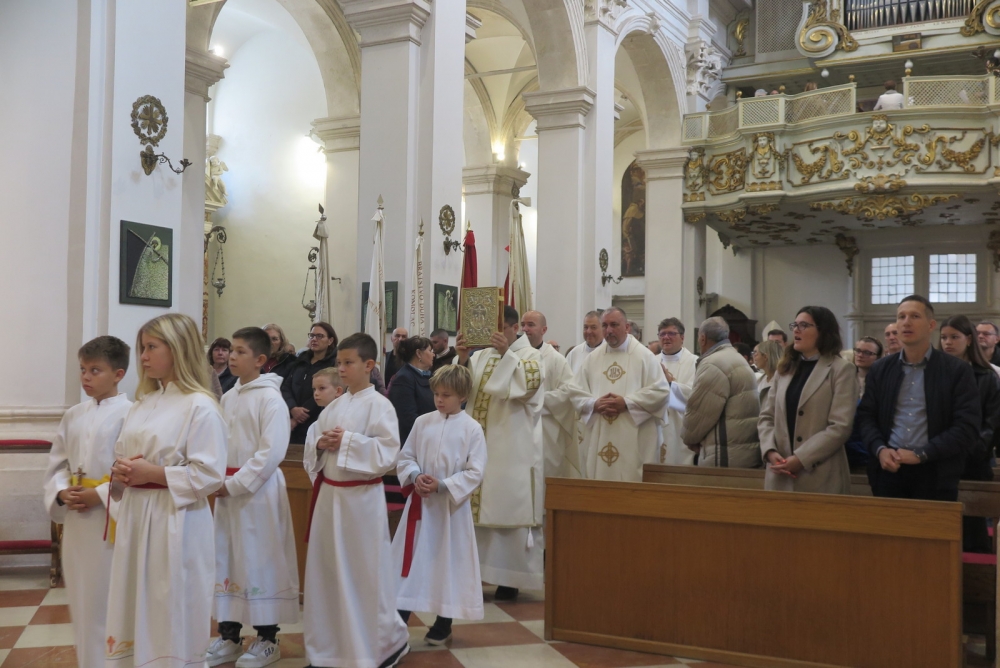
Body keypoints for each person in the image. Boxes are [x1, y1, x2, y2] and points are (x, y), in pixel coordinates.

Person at [106, 313, 227, 667]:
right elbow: (122, 456)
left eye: (151, 347)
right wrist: (121, 472)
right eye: (142, 348)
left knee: (169, 603)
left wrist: (154, 473)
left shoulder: (200, 406)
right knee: (133, 601)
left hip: (177, 521)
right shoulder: (142, 403)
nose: (142, 357)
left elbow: (209, 475)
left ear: (177, 349)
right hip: (136, 517)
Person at [302, 333, 410, 668]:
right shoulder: (335, 405)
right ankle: (329, 649)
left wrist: (346, 442)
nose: (342, 368)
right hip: (329, 497)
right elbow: (313, 444)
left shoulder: (380, 405)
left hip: (361, 501)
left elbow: (387, 453)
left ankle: (378, 646)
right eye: (339, 362)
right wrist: (321, 444)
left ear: (369, 365)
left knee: (362, 575)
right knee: (327, 575)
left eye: (348, 363)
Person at [207, 327, 298, 668]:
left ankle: (267, 639)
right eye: (231, 350)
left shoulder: (270, 398)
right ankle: (229, 636)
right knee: (228, 560)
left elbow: (271, 452)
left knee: (260, 560)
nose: (231, 356)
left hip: (257, 493)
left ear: (260, 360)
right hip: (228, 491)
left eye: (241, 351)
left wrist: (233, 484)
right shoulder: (229, 397)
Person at [42, 336, 132, 668]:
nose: (86, 377)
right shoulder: (74, 415)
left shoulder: (131, 414)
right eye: (82, 369)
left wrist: (101, 494)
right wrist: (62, 492)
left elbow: (132, 471)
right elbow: (57, 466)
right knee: (81, 602)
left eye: (96, 370)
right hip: (79, 524)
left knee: (106, 602)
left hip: (110, 522)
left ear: (119, 374)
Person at [393, 365, 488, 645]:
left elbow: (475, 471)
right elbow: (406, 456)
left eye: (446, 394)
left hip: (450, 511)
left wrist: (442, 485)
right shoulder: (423, 422)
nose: (439, 400)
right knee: (409, 564)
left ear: (462, 395)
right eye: (436, 393)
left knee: (446, 565)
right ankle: (398, 623)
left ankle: (444, 622)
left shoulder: (472, 429)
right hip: (420, 508)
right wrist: (415, 475)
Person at [458, 305, 544, 601]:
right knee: (477, 513)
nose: (492, 335)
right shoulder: (480, 356)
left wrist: (508, 355)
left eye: (498, 328)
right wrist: (462, 358)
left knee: (507, 508)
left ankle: (510, 578)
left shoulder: (531, 355)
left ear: (512, 327)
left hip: (511, 445)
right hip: (478, 445)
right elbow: (460, 392)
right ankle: (477, 574)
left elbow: (527, 387)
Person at [857, 295, 981, 501]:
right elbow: (866, 417)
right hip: (889, 470)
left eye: (914, 316)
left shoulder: (956, 370)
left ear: (931, 325)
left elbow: (967, 426)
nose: (906, 322)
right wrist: (880, 449)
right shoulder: (880, 369)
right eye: (901, 316)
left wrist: (922, 454)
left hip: (936, 471)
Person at [561, 307, 668, 481]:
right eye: (604, 325)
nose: (608, 330)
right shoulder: (593, 358)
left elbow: (661, 392)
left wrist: (626, 403)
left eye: (614, 325)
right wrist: (594, 404)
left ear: (626, 327)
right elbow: (574, 390)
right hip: (600, 433)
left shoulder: (644, 356)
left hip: (634, 437)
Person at [758, 307, 858, 494]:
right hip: (779, 471)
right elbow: (766, 417)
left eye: (804, 325)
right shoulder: (784, 369)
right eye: (795, 325)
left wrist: (801, 458)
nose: (796, 330)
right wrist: (770, 451)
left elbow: (840, 426)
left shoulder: (841, 370)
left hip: (820, 475)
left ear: (823, 332)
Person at [939, 315, 1000, 552]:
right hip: (940, 459)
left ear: (968, 340)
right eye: (944, 337)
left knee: (973, 529)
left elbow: (991, 423)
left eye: (954, 337)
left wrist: (968, 450)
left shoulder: (986, 376)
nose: (948, 343)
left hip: (974, 460)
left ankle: (978, 583)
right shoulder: (936, 374)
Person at [682, 317, 761, 467]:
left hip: (724, 454)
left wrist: (689, 438)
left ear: (703, 338)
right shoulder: (735, 357)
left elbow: (701, 412)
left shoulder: (714, 364)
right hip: (743, 450)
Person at [521, 310, 579, 478]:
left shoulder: (556, 359)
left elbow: (568, 393)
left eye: (531, 325)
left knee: (544, 478)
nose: (525, 329)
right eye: (523, 324)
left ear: (543, 330)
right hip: (518, 428)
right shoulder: (513, 356)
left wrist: (535, 400)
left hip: (546, 430)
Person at [386, 336, 436, 522]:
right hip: (416, 446)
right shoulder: (404, 379)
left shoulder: (429, 376)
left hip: (431, 441)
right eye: (430, 350)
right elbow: (407, 419)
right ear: (419, 354)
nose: (433, 354)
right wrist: (432, 435)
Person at [282, 322, 338, 444]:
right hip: (291, 418)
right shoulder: (301, 360)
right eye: (311, 336)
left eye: (319, 336)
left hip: (316, 419)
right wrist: (292, 408)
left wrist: (298, 417)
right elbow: (286, 386)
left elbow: (325, 391)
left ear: (330, 340)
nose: (314, 339)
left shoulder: (334, 364)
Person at [657, 318, 699, 466]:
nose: (666, 337)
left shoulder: (695, 363)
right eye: (662, 334)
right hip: (654, 426)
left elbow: (696, 396)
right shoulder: (650, 361)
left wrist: (670, 385)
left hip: (680, 428)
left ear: (682, 337)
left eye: (671, 333)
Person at [843, 337, 883, 470]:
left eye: (867, 353)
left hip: (868, 442)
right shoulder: (844, 378)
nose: (860, 355)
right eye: (858, 350)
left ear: (877, 357)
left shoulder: (881, 382)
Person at [565, 310, 604, 374]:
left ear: (602, 328)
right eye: (586, 327)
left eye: (593, 327)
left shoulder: (609, 351)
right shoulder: (574, 354)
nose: (588, 331)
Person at [752, 339, 783, 406]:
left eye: (755, 353)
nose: (753, 356)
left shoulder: (781, 380)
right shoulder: (761, 379)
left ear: (765, 357)